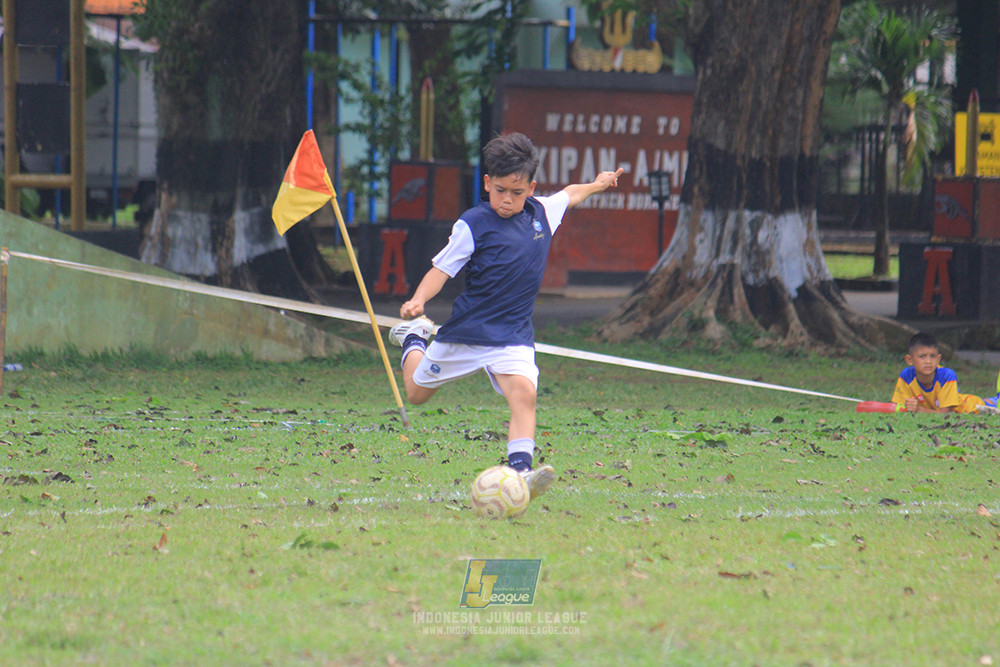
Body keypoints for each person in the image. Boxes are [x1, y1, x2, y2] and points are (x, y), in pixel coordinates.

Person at [387, 132, 624, 501]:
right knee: (416, 393)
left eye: (516, 192)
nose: (507, 200)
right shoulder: (473, 223)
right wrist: (418, 300)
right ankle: (414, 338)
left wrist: (598, 184)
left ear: (531, 188)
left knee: (524, 394)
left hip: (512, 334)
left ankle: (520, 473)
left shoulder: (542, 213)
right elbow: (442, 269)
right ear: (487, 184)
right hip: (468, 330)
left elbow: (571, 193)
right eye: (499, 191)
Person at [891, 332, 985, 414]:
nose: (928, 361)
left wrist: (919, 410)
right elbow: (899, 407)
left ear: (938, 359)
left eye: (932, 356)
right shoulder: (907, 376)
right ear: (909, 360)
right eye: (922, 356)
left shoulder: (946, 375)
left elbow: (946, 414)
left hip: (972, 406)